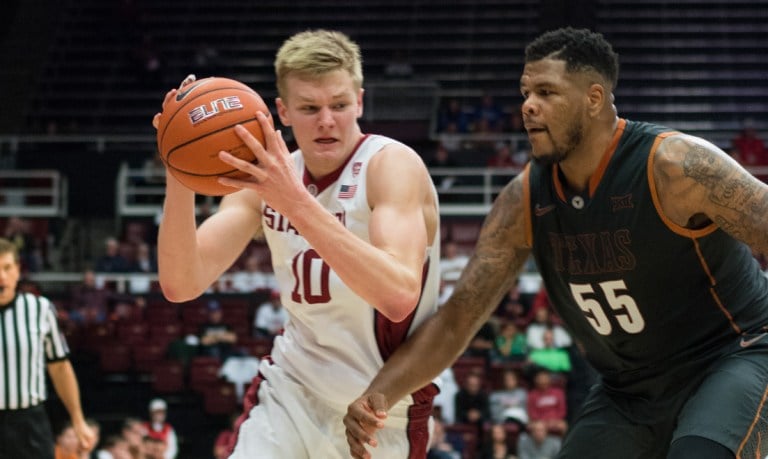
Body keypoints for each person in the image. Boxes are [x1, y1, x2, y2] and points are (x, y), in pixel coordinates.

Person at [344, 27, 768, 459]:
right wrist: (379, 393)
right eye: (526, 91)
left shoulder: (675, 166)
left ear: (594, 99)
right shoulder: (523, 201)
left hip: (735, 355)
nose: (528, 105)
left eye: (547, 92)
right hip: (631, 389)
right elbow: (457, 319)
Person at [152, 28, 440, 459]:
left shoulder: (390, 165)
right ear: (282, 112)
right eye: (309, 108)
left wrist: (296, 202)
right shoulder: (266, 177)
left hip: (379, 409)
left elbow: (398, 296)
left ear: (359, 102)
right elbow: (181, 282)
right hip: (291, 390)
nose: (327, 120)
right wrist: (179, 171)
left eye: (339, 105)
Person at [0, 238, 95, 459]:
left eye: (7, 268)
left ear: (18, 270)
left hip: (28, 422)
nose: (1, 277)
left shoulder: (39, 308)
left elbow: (60, 367)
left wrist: (78, 420)